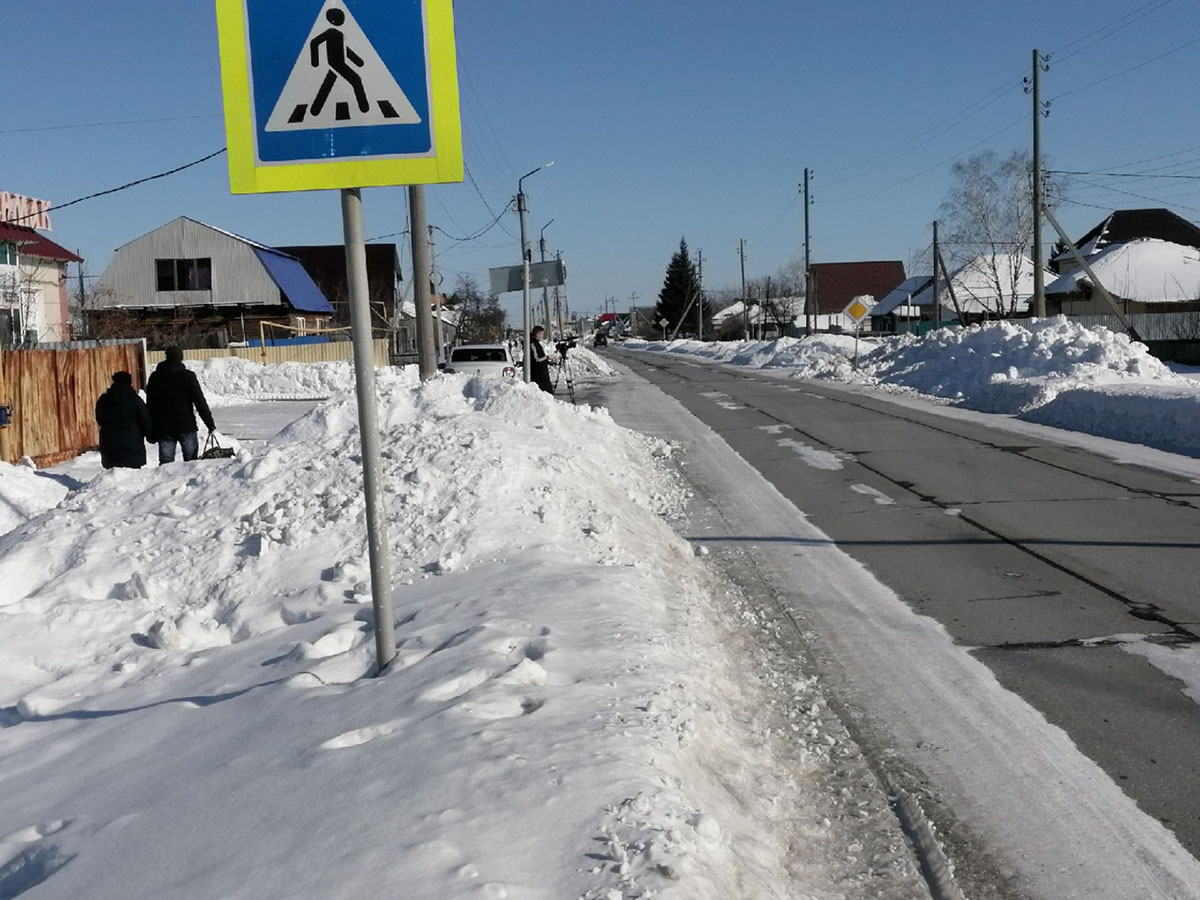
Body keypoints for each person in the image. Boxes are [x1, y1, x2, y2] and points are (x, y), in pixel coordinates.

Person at [145, 346, 216, 464]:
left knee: (166, 466)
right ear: (180, 358)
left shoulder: (155, 377)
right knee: (191, 464)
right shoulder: (188, 376)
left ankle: (167, 482)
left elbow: (150, 405)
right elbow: (199, 402)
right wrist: (210, 424)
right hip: (186, 426)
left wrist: (151, 430)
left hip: (164, 428)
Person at [94, 371, 152, 469]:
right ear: (129, 383)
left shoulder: (104, 400)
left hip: (110, 445)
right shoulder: (135, 400)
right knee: (132, 479)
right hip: (132, 447)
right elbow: (145, 421)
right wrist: (149, 434)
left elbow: (100, 418)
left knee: (113, 477)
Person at [529, 326, 555, 394]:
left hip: (542, 372)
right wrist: (547, 357)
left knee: (547, 392)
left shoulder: (536, 343)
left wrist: (547, 360)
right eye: (542, 334)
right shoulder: (533, 344)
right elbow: (536, 359)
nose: (543, 335)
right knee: (546, 392)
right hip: (538, 374)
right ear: (537, 334)